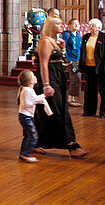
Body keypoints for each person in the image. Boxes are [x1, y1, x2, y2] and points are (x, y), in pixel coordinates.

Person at [32, 17, 88, 158]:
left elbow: (64, 63)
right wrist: (46, 85)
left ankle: (36, 143)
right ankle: (71, 145)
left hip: (59, 78)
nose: (61, 25)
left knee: (51, 111)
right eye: (57, 23)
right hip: (50, 79)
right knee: (57, 112)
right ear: (50, 26)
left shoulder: (55, 42)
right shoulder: (45, 42)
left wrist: (62, 48)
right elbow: (43, 65)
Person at [81, 19, 105, 118]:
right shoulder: (86, 37)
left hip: (102, 69)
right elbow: (83, 52)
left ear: (99, 28)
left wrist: (104, 61)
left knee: (104, 91)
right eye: (89, 25)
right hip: (89, 68)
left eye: (92, 25)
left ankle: (104, 111)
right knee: (90, 90)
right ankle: (89, 111)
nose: (89, 27)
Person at [16, 70, 52, 163]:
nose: (36, 77)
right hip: (25, 117)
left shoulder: (29, 90)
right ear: (30, 80)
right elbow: (28, 103)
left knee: (28, 135)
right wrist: (43, 97)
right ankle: (26, 154)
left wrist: (40, 98)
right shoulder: (26, 91)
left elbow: (33, 99)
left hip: (27, 116)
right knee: (33, 136)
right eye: (33, 76)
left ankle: (23, 153)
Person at [61, 19, 83, 106]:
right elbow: (63, 47)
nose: (76, 26)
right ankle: (70, 99)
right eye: (74, 24)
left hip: (78, 59)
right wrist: (68, 59)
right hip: (71, 60)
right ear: (69, 25)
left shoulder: (78, 34)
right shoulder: (66, 34)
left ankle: (73, 97)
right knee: (75, 77)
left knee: (77, 78)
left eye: (78, 24)